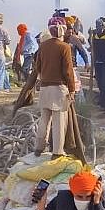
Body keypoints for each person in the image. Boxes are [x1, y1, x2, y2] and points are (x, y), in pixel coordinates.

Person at [35, 23, 76, 157]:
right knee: (59, 121)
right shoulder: (64, 47)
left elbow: (38, 67)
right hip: (59, 88)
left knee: (44, 118)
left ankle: (39, 147)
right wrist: (72, 89)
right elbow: (68, 71)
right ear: (61, 34)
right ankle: (57, 151)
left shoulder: (43, 46)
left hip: (45, 87)